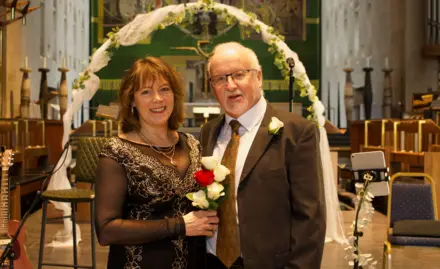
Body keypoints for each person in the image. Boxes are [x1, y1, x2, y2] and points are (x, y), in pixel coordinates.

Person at [199, 42, 326, 269]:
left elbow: (310, 218)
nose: (230, 85)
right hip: (212, 260)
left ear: (258, 77)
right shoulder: (208, 132)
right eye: (219, 79)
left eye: (239, 74)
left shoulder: (296, 132)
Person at [95, 56, 218, 269]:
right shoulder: (117, 152)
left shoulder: (193, 145)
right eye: (146, 92)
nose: (158, 99)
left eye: (164, 89)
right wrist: (179, 225)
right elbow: (106, 230)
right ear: (132, 101)